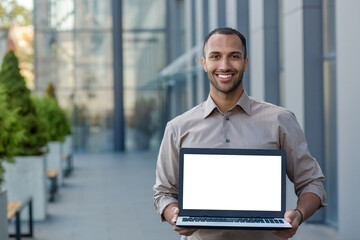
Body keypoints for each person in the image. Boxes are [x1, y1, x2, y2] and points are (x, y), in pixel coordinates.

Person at [153, 27, 326, 240]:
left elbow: (312, 181)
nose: (224, 66)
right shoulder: (178, 127)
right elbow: (163, 193)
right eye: (215, 56)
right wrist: (174, 215)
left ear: (245, 62)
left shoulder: (279, 120)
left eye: (234, 57)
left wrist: (298, 214)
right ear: (204, 62)